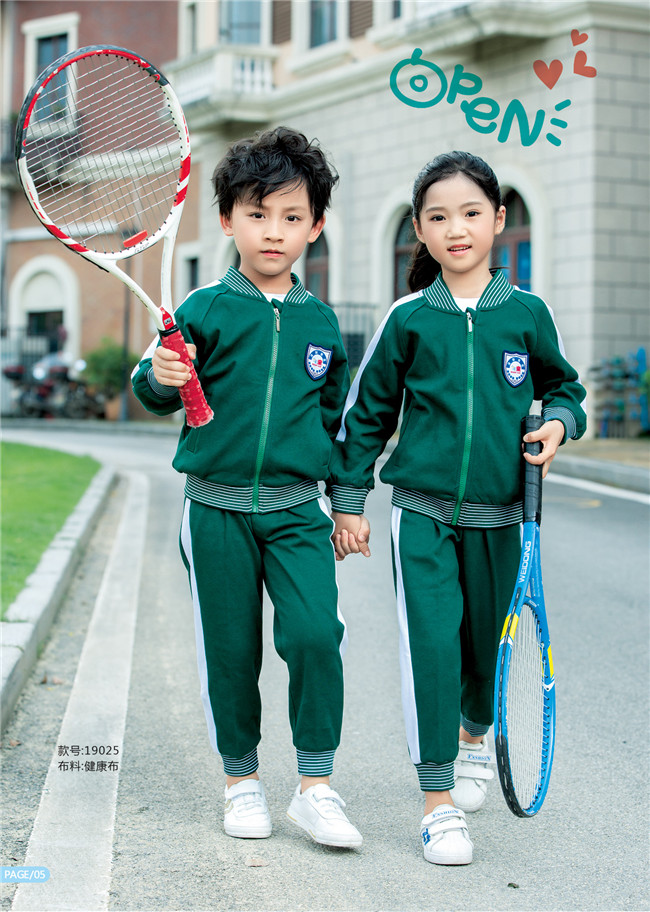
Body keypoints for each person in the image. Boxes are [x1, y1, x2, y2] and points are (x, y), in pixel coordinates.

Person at [328, 151, 586, 865]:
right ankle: (437, 803)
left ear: (498, 219)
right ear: (419, 230)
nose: (457, 228)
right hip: (423, 514)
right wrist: (349, 500)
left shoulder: (528, 314)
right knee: (432, 648)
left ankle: (477, 732)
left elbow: (564, 389)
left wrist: (560, 423)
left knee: (483, 652)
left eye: (471, 213)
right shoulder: (408, 319)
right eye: (438, 217)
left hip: (503, 518)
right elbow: (366, 416)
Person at [132, 127, 362, 849]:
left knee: (316, 635)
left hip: (297, 512)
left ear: (316, 227)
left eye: (293, 217)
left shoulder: (321, 322)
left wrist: (346, 506)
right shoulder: (203, 308)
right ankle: (241, 781)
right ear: (228, 219)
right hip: (216, 511)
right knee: (231, 651)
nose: (274, 231)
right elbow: (153, 385)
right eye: (258, 214)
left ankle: (316, 787)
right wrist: (160, 376)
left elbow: (336, 424)